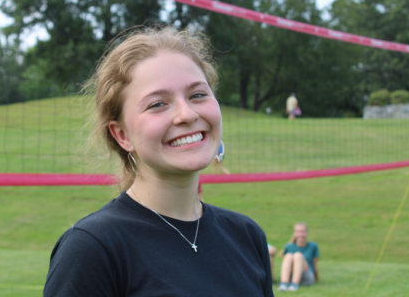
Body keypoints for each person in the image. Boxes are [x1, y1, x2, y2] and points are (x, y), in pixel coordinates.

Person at [43, 27, 274, 296]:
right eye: (157, 104)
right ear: (122, 135)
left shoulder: (247, 236)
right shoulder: (92, 248)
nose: (186, 114)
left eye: (198, 94)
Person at [278, 222, 319, 291]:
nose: (300, 234)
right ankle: (284, 283)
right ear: (294, 233)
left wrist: (317, 279)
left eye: (303, 232)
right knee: (288, 255)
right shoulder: (289, 246)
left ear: (307, 233)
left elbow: (315, 265)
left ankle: (294, 284)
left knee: (298, 255)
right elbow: (284, 259)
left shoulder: (313, 246)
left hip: (306, 276)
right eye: (298, 232)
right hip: (291, 275)